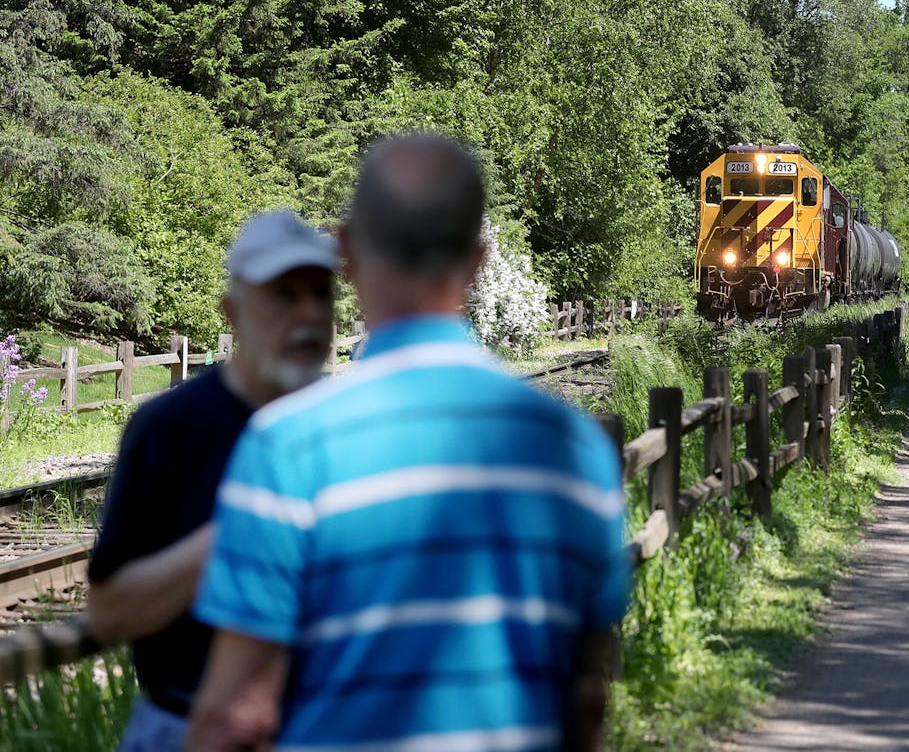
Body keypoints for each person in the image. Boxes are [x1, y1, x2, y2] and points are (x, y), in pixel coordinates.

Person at [186, 134, 629, 751]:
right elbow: (587, 691)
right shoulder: (576, 450)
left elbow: (236, 718)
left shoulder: (288, 448)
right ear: (477, 262)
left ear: (346, 252)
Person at [88, 210, 338, 751]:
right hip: (183, 725)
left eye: (322, 294)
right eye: (284, 295)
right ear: (232, 312)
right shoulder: (169, 430)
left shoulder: (356, 427)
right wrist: (246, 527)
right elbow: (110, 614)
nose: (310, 314)